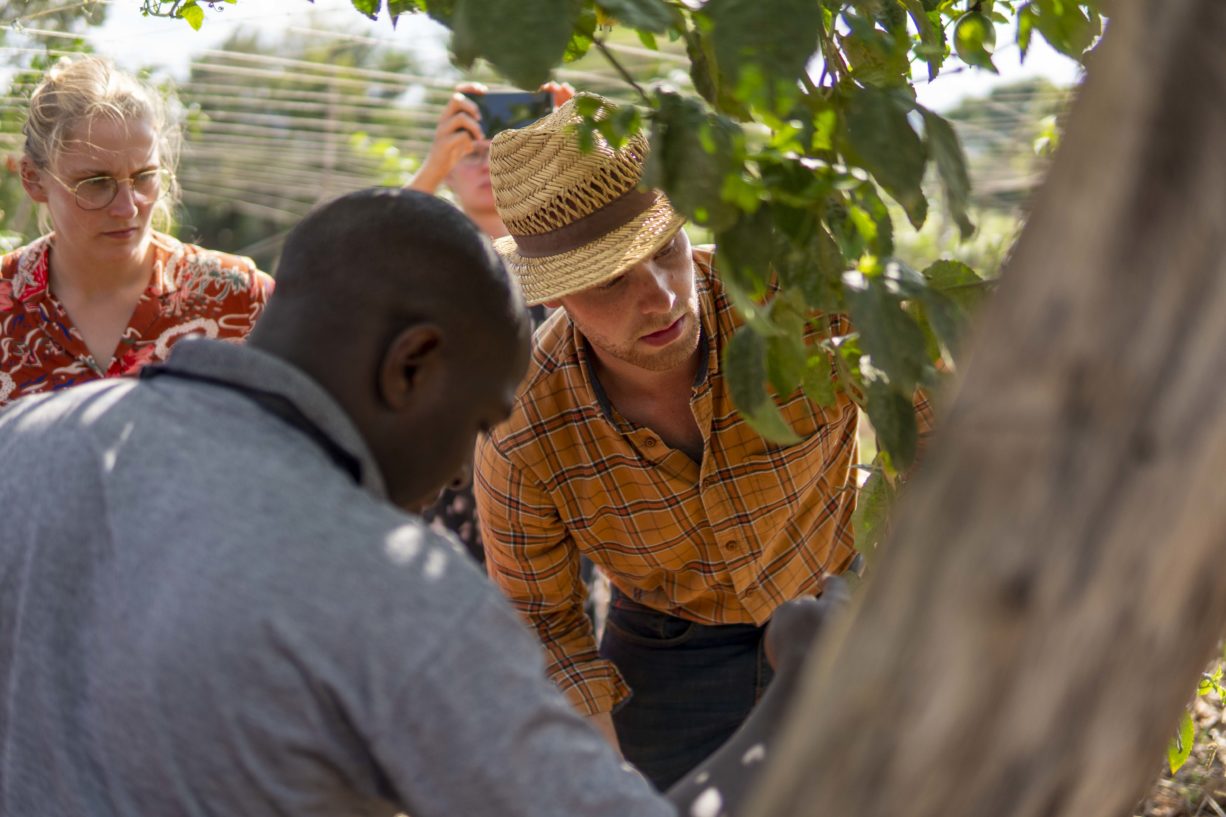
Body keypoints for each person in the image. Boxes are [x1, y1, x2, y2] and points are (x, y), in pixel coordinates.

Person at [0, 187, 838, 816]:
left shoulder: (28, 442)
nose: (452, 477)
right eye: (477, 419)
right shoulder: (389, 591)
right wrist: (804, 689)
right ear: (413, 365)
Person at [473, 94, 935, 789]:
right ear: (557, 296)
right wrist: (609, 778)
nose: (659, 296)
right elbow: (541, 620)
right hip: (669, 649)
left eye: (666, 251)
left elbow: (941, 435)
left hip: (846, 602)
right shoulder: (522, 428)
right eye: (610, 283)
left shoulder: (799, 302)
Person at [0, 55, 272, 408]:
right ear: (33, 180)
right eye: (96, 183)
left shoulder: (241, 298)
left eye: (144, 177)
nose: (128, 208)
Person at [408, 82, 568, 561]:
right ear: (449, 170)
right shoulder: (422, 258)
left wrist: (580, 148)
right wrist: (431, 167)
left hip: (552, 512)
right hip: (440, 518)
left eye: (503, 150)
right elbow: (354, 272)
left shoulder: (570, 256)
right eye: (470, 152)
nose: (487, 164)